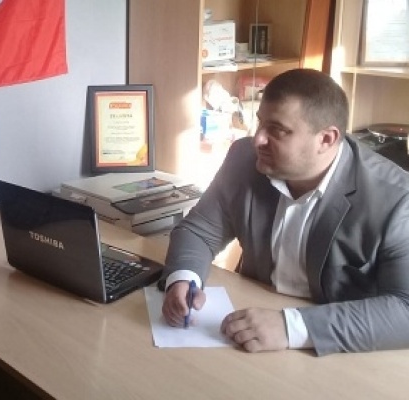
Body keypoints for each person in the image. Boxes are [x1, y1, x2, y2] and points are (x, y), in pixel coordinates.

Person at [161, 68, 409, 356]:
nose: (258, 140)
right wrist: (185, 278)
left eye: (277, 130)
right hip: (249, 330)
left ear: (326, 139)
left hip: (337, 348)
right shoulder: (244, 158)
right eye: (259, 123)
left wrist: (292, 326)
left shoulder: (395, 199)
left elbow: (404, 309)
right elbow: (199, 231)